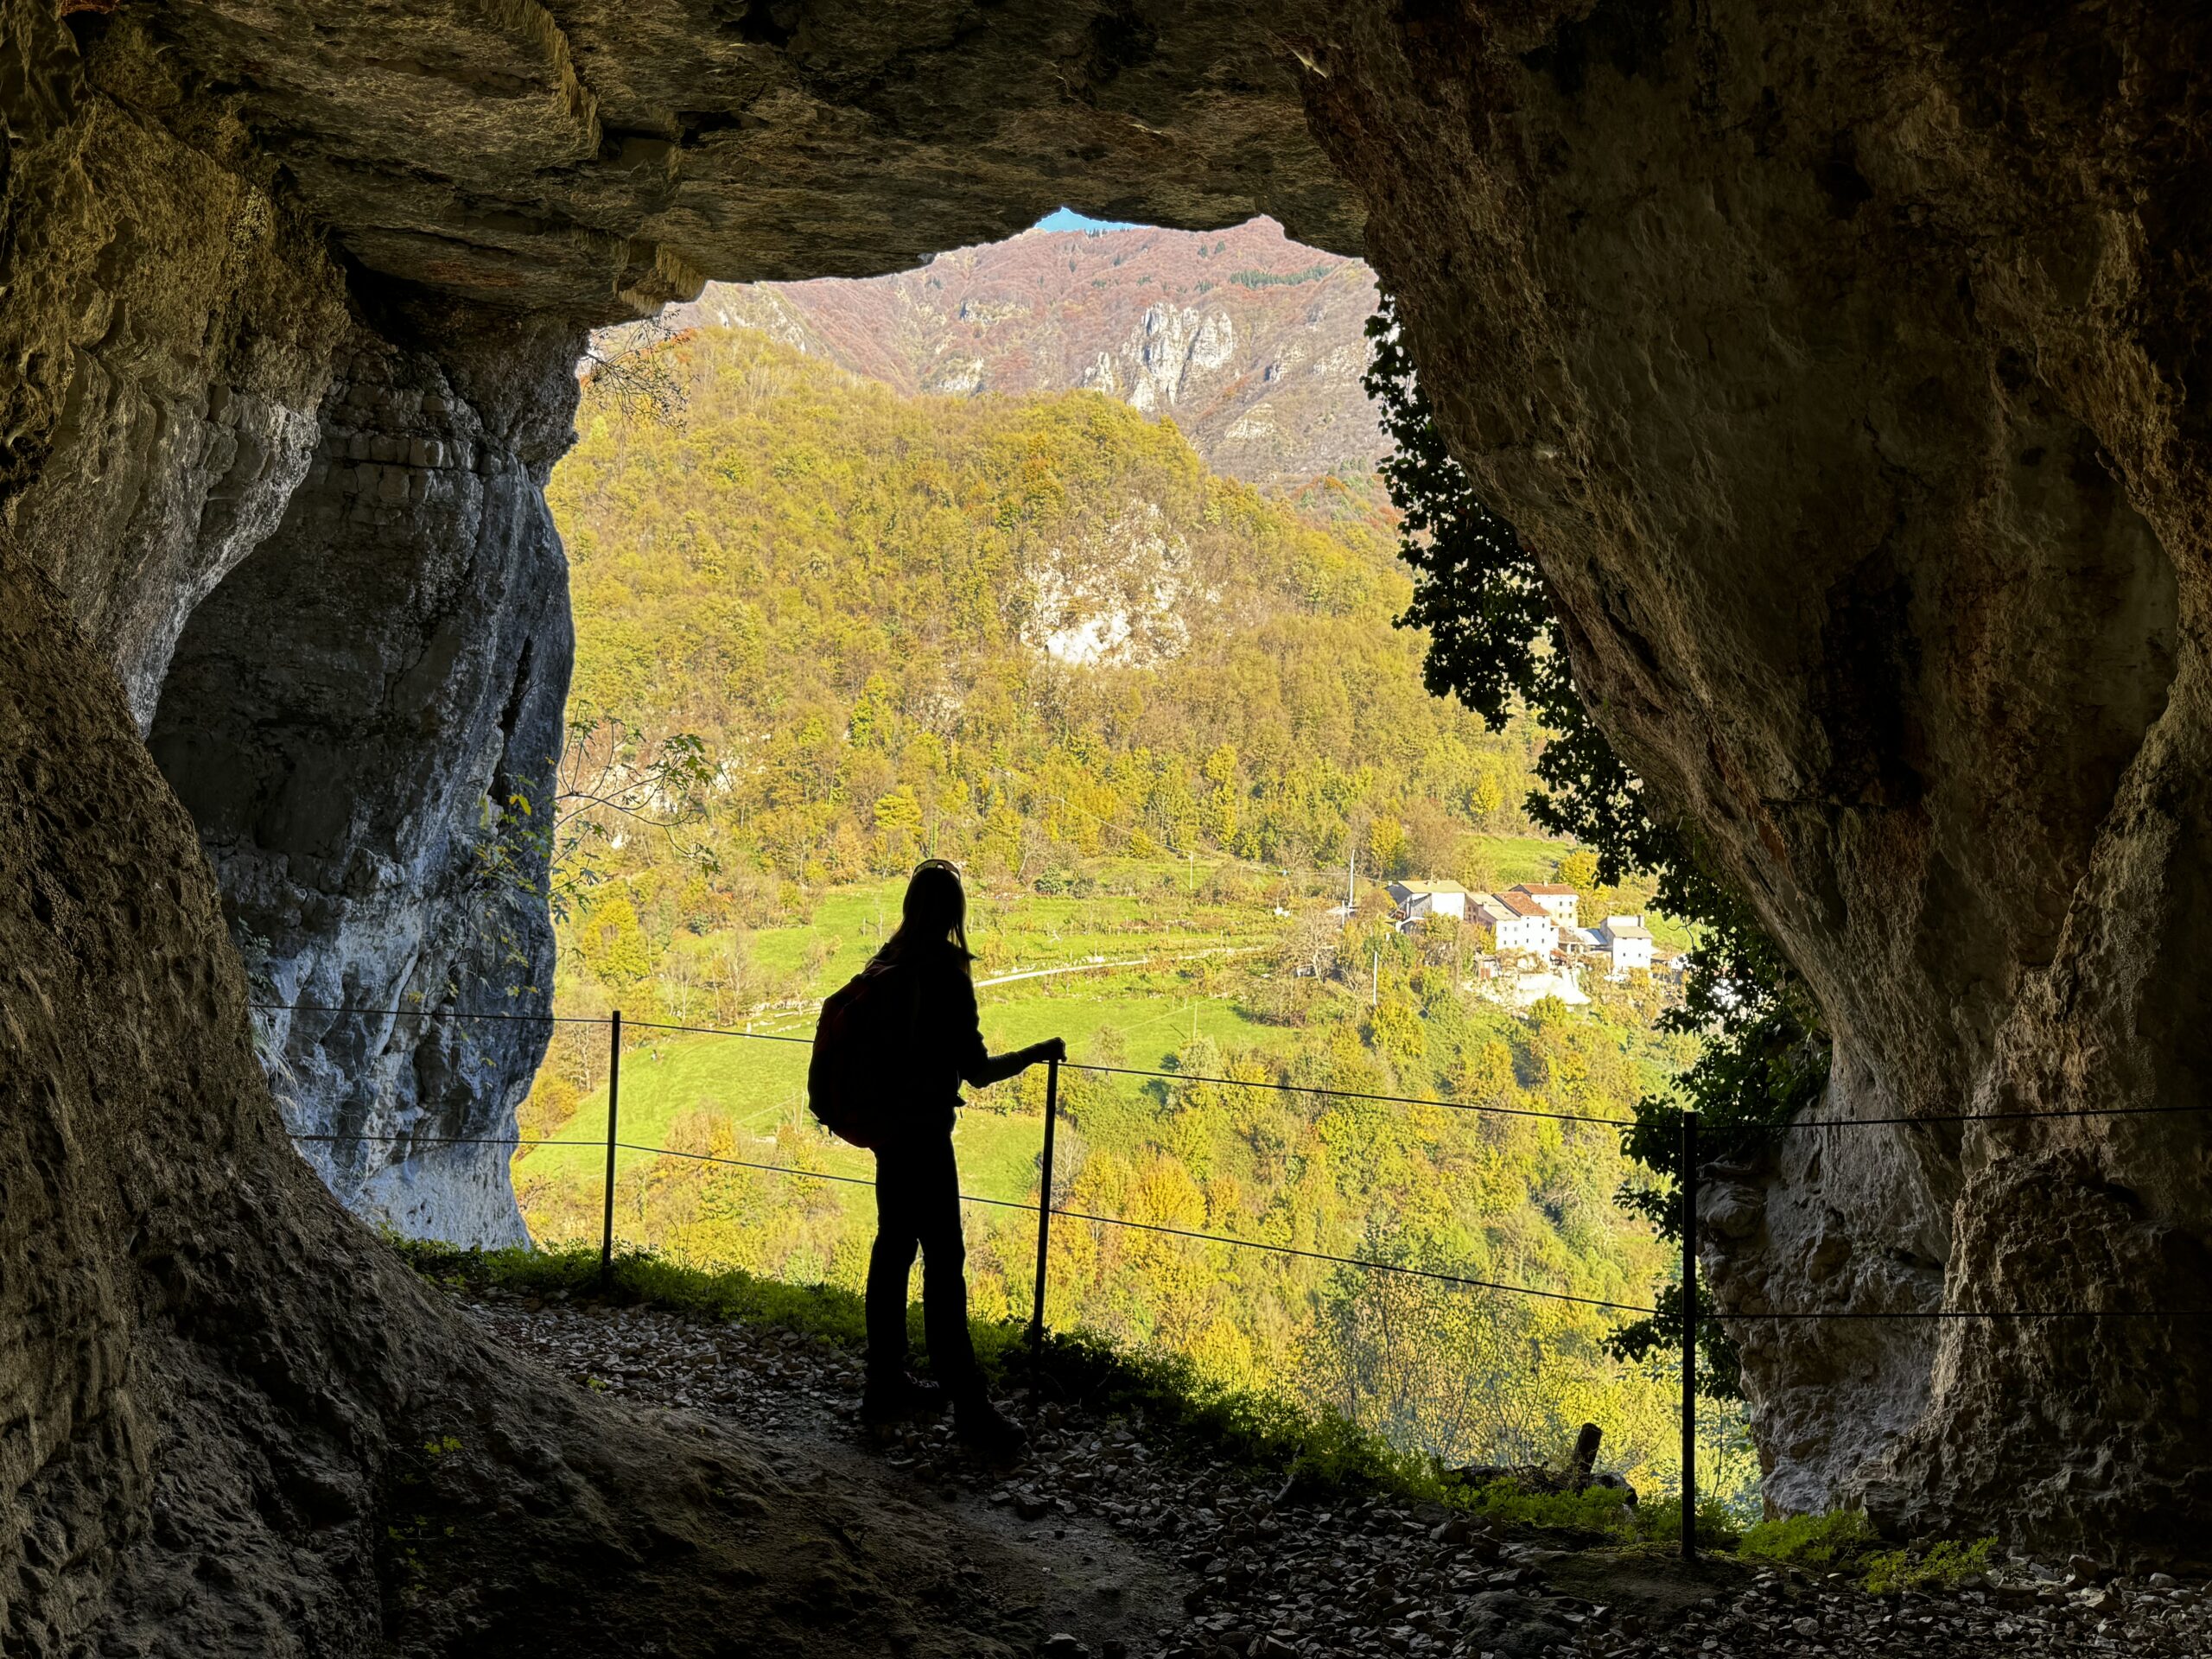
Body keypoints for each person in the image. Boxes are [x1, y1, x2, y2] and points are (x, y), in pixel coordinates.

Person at [861, 858, 1062, 1454]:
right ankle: (971, 1409)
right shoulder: (946, 975)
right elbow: (975, 1071)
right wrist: (1035, 1054)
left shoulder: (884, 965)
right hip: (925, 1138)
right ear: (954, 914)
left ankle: (883, 1383)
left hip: (888, 1140)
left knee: (892, 1251)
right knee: (945, 1267)